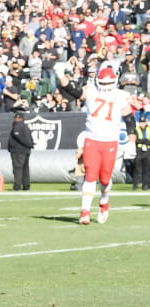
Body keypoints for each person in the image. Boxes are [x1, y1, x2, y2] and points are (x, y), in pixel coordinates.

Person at [55, 61, 135, 224]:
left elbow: (130, 120)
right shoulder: (90, 91)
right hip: (92, 140)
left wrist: (131, 142)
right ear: (98, 81)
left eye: (108, 83)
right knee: (90, 176)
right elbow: (72, 90)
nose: (105, 86)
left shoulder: (121, 96)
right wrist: (60, 75)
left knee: (105, 179)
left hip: (110, 142)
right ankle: (84, 211)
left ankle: (104, 202)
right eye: (103, 83)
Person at [8, 112, 34, 191]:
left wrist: (27, 144)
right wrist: (30, 144)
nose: (14, 119)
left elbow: (17, 135)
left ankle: (17, 186)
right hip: (26, 150)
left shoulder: (17, 125)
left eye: (16, 118)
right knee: (25, 168)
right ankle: (26, 186)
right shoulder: (26, 126)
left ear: (18, 118)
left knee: (17, 168)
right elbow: (30, 137)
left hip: (18, 150)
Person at [134, 115, 150, 190]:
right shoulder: (136, 129)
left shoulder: (149, 129)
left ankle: (145, 185)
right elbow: (135, 139)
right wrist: (145, 141)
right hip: (139, 150)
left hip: (147, 151)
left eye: (143, 122)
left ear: (146, 122)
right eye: (141, 122)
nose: (142, 123)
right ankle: (135, 186)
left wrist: (147, 142)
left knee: (146, 169)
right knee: (137, 169)